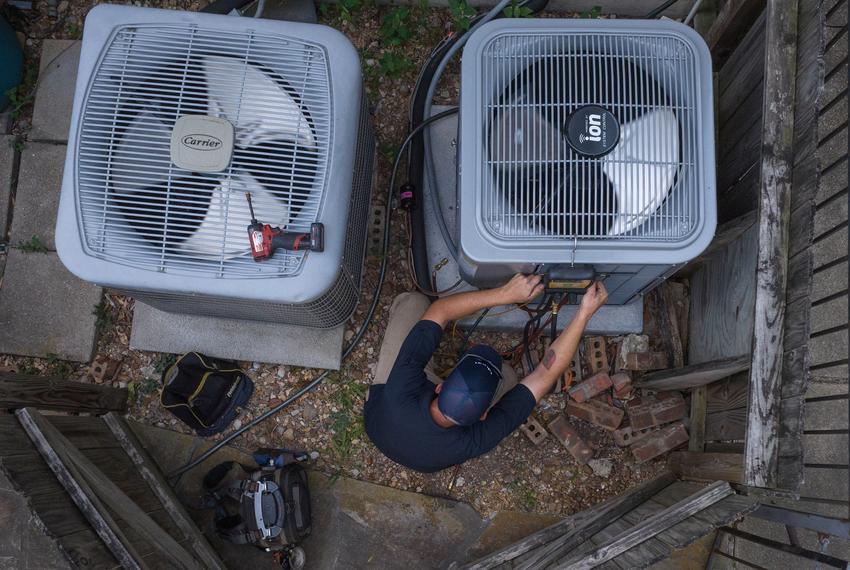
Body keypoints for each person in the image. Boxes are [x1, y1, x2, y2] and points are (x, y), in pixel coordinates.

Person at [363, 274, 609, 473]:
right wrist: (584, 314)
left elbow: (440, 311)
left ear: (440, 387)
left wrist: (505, 294)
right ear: (483, 415)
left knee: (416, 303)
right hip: (399, 426)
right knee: (508, 377)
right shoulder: (475, 440)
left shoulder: (402, 387)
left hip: (383, 421)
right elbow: (544, 375)